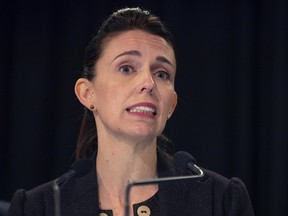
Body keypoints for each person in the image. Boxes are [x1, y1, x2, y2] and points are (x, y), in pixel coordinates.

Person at [8, 7, 254, 216]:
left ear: (171, 105)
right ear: (87, 93)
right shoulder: (39, 207)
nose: (148, 82)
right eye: (126, 68)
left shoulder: (221, 200)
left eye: (161, 73)